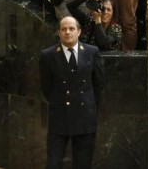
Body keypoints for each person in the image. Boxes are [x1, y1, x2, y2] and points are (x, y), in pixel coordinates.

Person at [39, 16, 104, 169]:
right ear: (59, 32)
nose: (67, 32)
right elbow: (45, 87)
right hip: (59, 116)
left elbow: (98, 85)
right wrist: (59, 101)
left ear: (79, 32)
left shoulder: (91, 52)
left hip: (85, 117)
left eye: (71, 29)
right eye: (64, 29)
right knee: (53, 163)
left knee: (82, 163)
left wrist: (91, 107)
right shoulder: (48, 55)